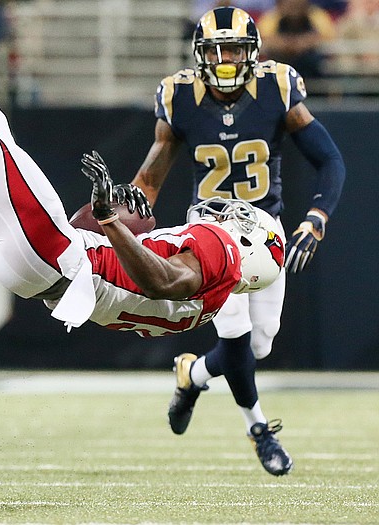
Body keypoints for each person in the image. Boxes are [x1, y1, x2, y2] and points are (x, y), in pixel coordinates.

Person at [0, 0, 285, 343]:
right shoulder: (207, 305)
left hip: (58, 257)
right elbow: (130, 272)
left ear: (248, 248)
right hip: (39, 275)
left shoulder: (220, 253)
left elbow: (160, 281)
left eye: (242, 223)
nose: (229, 218)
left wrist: (111, 223)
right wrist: (113, 222)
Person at [130, 6, 345, 475]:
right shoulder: (180, 95)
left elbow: (330, 161)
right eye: (216, 51)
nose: (225, 60)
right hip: (208, 230)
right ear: (199, 54)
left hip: (264, 229)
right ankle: (259, 430)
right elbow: (150, 178)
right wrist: (120, 227)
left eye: (234, 50)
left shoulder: (277, 86)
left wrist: (315, 218)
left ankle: (193, 374)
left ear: (254, 52)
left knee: (259, 344)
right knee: (233, 331)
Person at [258, 0, 336, 80]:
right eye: (290, 3)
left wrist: (305, 42)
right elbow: (264, 38)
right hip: (280, 65)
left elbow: (327, 38)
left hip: (311, 69)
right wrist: (286, 44)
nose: (294, 5)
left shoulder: (317, 16)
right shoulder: (271, 17)